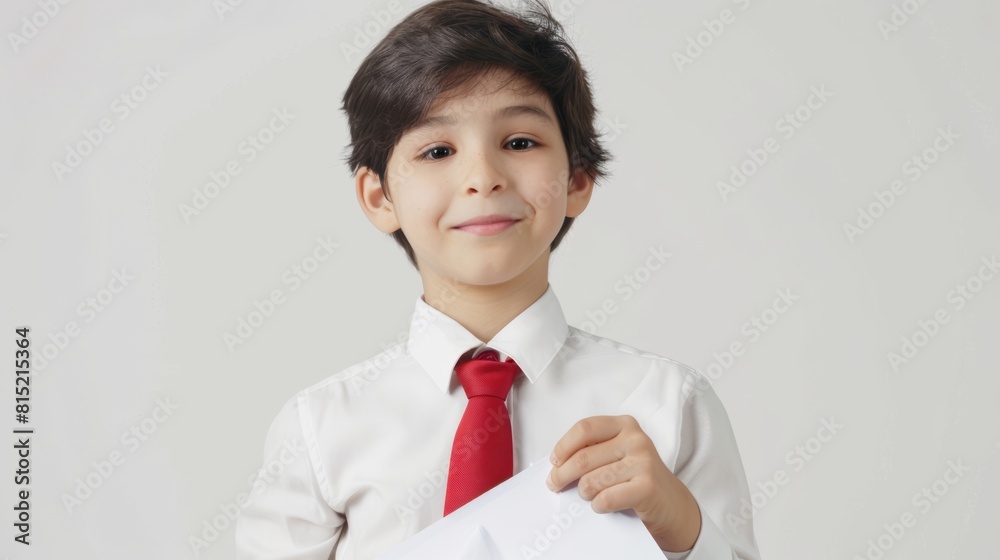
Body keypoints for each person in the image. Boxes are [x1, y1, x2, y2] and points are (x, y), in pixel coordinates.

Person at [235, 1, 761, 558]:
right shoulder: (321, 428)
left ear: (578, 179)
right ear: (379, 197)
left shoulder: (668, 405)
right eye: (437, 150)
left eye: (519, 142)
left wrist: (681, 524)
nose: (482, 177)